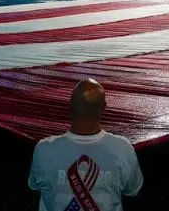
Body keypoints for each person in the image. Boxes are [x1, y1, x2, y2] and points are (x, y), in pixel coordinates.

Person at [28, 78, 143, 211]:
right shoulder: (122, 149)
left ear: (70, 106)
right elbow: (132, 191)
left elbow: (34, 186)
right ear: (104, 108)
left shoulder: (44, 149)